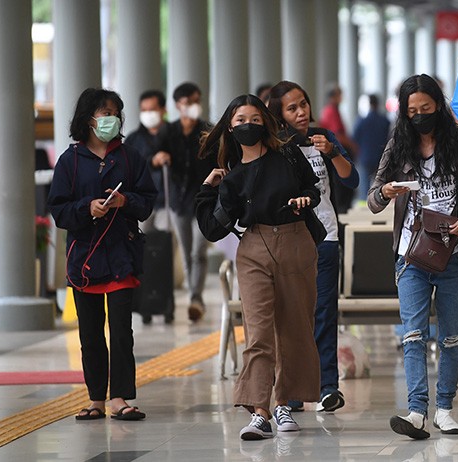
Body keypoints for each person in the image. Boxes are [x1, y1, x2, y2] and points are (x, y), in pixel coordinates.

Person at [368, 74, 458, 439]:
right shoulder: (398, 143)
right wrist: (386, 190)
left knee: (451, 338)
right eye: (412, 112)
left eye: (426, 109)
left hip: (452, 254)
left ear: (439, 106)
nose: (419, 117)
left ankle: (444, 409)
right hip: (411, 255)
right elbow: (372, 200)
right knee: (412, 335)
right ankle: (416, 412)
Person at [194, 94, 321, 440]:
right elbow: (213, 228)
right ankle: (260, 411)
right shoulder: (232, 176)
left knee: (294, 328)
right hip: (253, 248)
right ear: (230, 128)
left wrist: (304, 199)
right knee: (258, 331)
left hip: (295, 242)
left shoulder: (289, 154)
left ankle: (283, 403)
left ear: (265, 121)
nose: (247, 125)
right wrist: (208, 188)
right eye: (239, 121)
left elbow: (314, 188)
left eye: (254, 118)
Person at [47, 88, 157, 421]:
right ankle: (96, 398)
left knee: (122, 332)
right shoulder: (70, 160)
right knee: (90, 333)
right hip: (84, 260)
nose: (110, 119)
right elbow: (58, 209)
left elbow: (148, 199)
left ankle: (120, 398)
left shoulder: (129, 156)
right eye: (103, 112)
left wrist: (126, 202)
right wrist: (86, 208)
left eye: (114, 113)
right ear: (87, 118)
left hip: (122, 255)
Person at [267, 80, 359, 413]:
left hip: (326, 237)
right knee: (293, 317)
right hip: (289, 241)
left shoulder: (324, 138)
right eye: (292, 108)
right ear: (278, 114)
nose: (301, 112)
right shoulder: (272, 145)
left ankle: (327, 387)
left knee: (324, 313)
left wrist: (332, 152)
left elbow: (351, 179)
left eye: (303, 104)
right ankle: (293, 390)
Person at [167, 82, 216, 322]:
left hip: (203, 201)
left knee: (199, 251)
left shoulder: (208, 130)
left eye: (197, 101)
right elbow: (152, 155)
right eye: (188, 102)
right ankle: (194, 294)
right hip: (179, 201)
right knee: (186, 252)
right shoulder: (169, 132)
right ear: (178, 105)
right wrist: (159, 157)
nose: (193, 106)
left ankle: (196, 297)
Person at [124, 89, 172, 232]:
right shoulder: (133, 139)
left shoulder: (176, 135)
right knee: (141, 245)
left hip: (169, 203)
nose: (148, 114)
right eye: (144, 110)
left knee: (167, 246)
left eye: (152, 109)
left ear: (163, 110)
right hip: (142, 202)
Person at [319, 83, 358, 213]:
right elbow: (338, 135)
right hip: (333, 154)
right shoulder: (330, 111)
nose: (341, 98)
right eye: (340, 95)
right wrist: (353, 145)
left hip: (334, 152)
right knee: (342, 190)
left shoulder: (331, 110)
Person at [352, 94, 391, 203]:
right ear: (378, 104)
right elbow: (389, 139)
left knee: (364, 188)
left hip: (365, 157)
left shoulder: (361, 121)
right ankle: (378, 206)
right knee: (379, 186)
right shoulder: (385, 121)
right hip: (381, 157)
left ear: (369, 104)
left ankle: (364, 207)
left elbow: (354, 138)